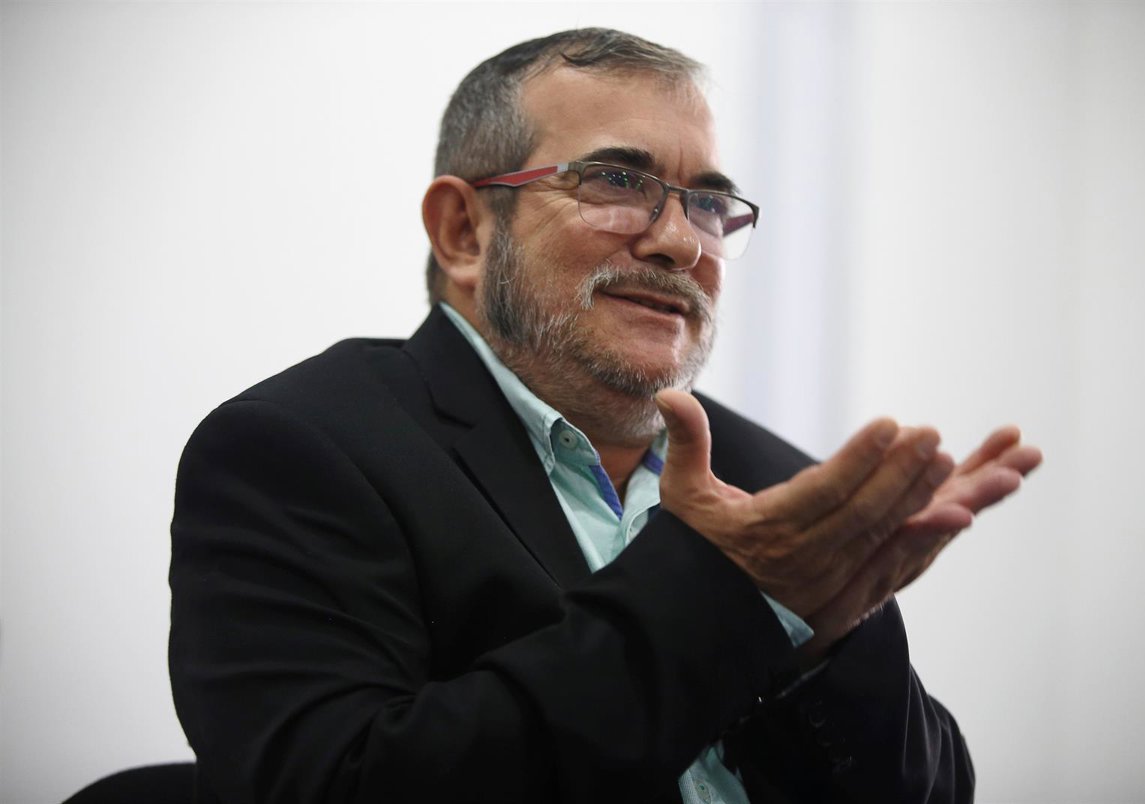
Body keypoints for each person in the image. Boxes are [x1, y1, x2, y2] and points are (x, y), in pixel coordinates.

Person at [169, 28, 1041, 804]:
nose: (681, 242)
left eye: (709, 204)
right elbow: (341, 782)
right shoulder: (300, 452)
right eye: (617, 181)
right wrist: (732, 595)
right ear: (464, 231)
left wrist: (826, 642)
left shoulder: (775, 481)